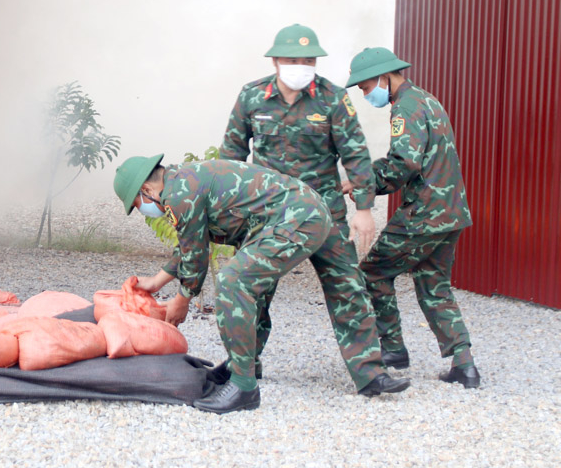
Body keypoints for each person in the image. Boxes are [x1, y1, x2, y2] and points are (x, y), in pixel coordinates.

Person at [114, 154, 411, 414]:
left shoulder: (179, 194)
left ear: (146, 190)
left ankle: (243, 388)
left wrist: (183, 299)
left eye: (138, 205)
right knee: (280, 282)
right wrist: (158, 281)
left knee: (233, 282)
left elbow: (195, 254)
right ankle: (246, 366)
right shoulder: (183, 179)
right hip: (306, 210)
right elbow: (192, 241)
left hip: (295, 219)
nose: (142, 211)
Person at [217, 23, 379, 382]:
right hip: (267, 214)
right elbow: (230, 158)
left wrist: (363, 210)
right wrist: (228, 215)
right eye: (293, 59)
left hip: (324, 213)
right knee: (253, 288)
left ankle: (370, 373)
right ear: (276, 60)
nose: (301, 65)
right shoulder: (251, 97)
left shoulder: (333, 98)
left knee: (348, 287)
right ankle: (244, 365)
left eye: (309, 59)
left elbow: (355, 155)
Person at [345, 46, 480, 389]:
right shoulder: (427, 99)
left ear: (384, 77)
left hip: (425, 214)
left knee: (373, 271)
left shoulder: (404, 107)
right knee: (434, 285)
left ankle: (392, 351)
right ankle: (464, 364)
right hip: (451, 212)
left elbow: (403, 163)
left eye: (365, 87)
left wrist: (362, 183)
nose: (365, 94)